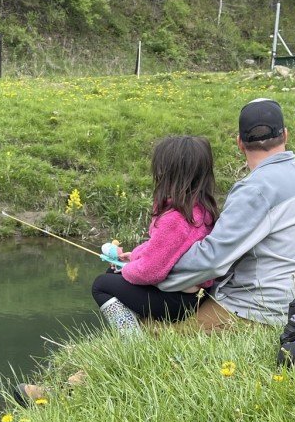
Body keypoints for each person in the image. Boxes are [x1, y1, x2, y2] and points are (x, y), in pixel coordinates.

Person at [158, 98, 295, 330]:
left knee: (158, 331)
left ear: (240, 143)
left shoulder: (254, 190)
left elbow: (211, 260)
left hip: (257, 312)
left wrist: (154, 267)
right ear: (285, 135)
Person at [91, 134, 218, 333]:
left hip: (177, 302)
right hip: (196, 294)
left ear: (168, 174)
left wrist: (128, 268)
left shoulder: (175, 219)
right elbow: (164, 249)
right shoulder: (200, 209)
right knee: (114, 273)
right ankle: (136, 323)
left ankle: (131, 338)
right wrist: (133, 256)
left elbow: (151, 271)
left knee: (100, 284)